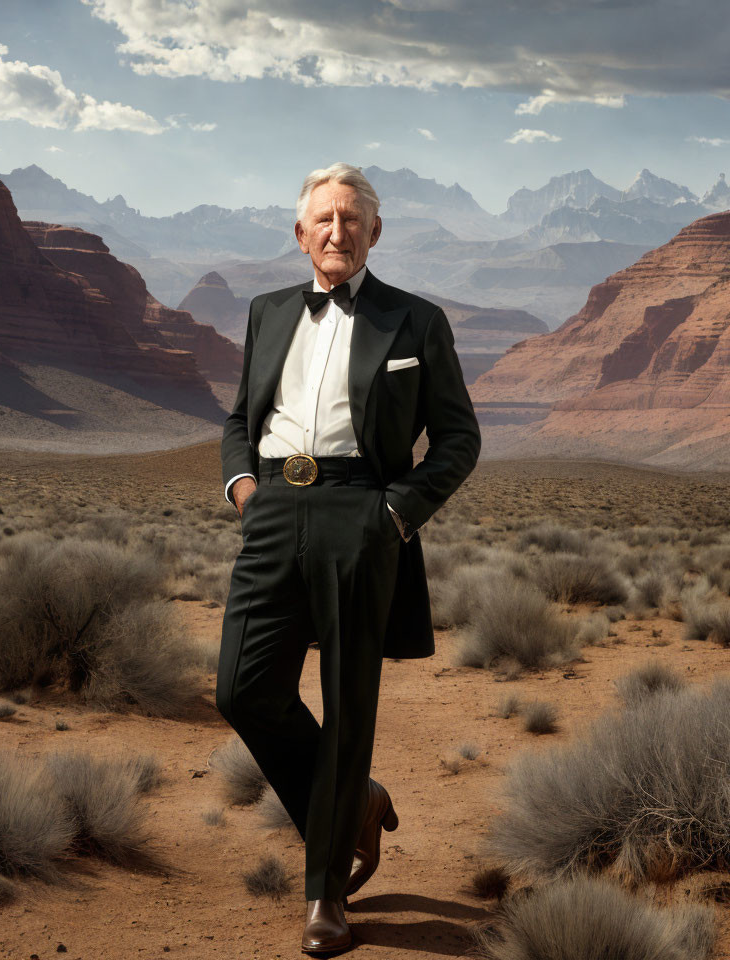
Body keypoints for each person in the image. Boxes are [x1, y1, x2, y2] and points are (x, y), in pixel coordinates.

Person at [216, 161, 480, 954]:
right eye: (323, 220)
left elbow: (458, 439)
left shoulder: (416, 320)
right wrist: (242, 489)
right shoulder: (265, 313)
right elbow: (240, 417)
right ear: (301, 236)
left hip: (361, 514)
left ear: (374, 231)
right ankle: (353, 803)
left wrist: (394, 514)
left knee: (346, 703)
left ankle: (325, 896)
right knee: (241, 687)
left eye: (352, 218)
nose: (338, 231)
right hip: (270, 509)